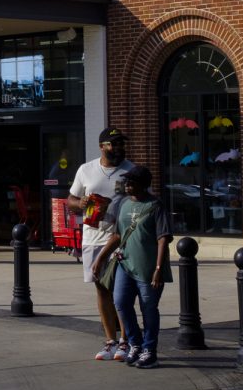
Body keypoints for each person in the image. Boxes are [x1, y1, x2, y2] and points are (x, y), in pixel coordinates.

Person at [92, 165, 173, 369]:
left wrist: (158, 268)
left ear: (144, 185)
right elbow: (118, 235)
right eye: (126, 182)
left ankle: (149, 350)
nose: (127, 185)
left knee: (149, 309)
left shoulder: (156, 206)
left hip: (147, 268)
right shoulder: (124, 205)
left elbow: (163, 238)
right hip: (125, 264)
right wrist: (100, 258)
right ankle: (135, 344)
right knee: (121, 303)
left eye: (132, 182)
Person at [68, 127, 134, 362]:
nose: (118, 148)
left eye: (120, 144)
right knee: (102, 289)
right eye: (113, 144)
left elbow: (145, 199)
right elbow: (71, 200)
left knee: (123, 291)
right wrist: (81, 202)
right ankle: (110, 340)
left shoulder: (131, 171)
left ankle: (127, 341)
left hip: (124, 239)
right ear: (101, 146)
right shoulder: (86, 170)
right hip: (93, 237)